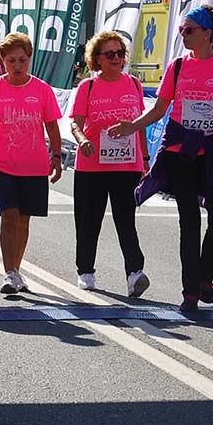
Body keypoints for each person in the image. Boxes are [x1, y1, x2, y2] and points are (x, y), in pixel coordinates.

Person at [110, 5, 213, 312]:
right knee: (188, 222)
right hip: (182, 152)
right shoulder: (177, 66)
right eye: (181, 30)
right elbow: (159, 109)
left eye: (188, 30)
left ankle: (206, 276)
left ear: (207, 33)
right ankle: (190, 291)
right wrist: (131, 126)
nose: (183, 35)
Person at [0, 32, 63, 295]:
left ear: (29, 59)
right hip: (2, 164)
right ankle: (9, 272)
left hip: (34, 165)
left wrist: (56, 157)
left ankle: (16, 269)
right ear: (2, 60)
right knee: (9, 215)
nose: (17, 65)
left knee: (24, 219)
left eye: (22, 60)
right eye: (11, 60)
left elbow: (52, 125)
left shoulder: (42, 90)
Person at [70, 31, 150, 297]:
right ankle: (85, 270)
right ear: (97, 59)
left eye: (120, 53)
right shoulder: (88, 87)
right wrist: (82, 139)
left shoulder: (134, 84)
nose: (116, 58)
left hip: (126, 166)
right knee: (88, 220)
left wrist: (145, 158)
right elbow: (75, 123)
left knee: (126, 220)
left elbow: (139, 125)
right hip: (92, 166)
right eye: (110, 54)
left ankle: (135, 273)